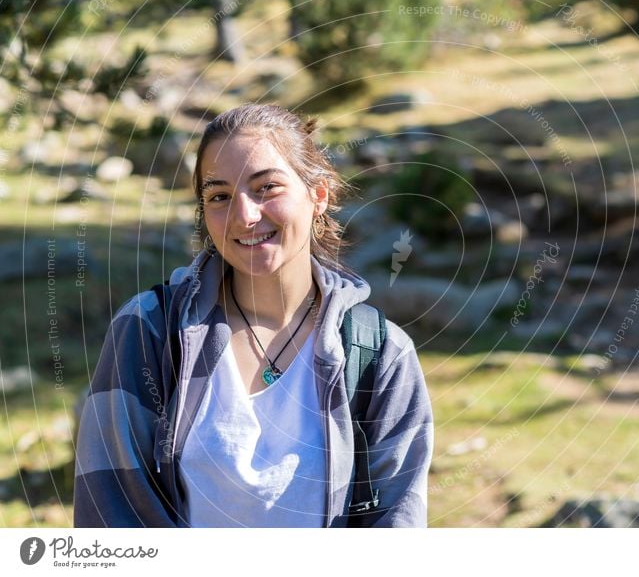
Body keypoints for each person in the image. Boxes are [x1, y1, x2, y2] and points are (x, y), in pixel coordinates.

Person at [73, 104, 434, 527]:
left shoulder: (380, 355)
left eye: (267, 188)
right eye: (220, 196)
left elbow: (394, 528)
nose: (245, 216)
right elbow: (112, 512)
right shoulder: (150, 331)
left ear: (318, 195)